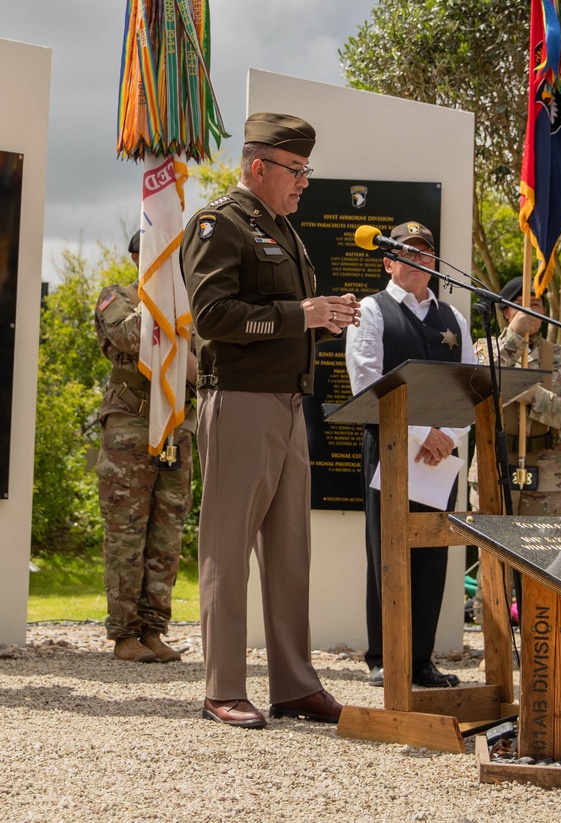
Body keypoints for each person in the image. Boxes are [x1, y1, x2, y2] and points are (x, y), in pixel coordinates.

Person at [182, 112, 361, 729]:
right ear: (259, 166)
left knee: (290, 551)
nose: (304, 181)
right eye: (296, 170)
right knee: (227, 548)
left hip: (287, 404)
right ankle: (222, 687)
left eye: (307, 170)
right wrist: (301, 314)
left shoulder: (283, 231)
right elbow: (213, 316)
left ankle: (293, 684)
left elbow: (288, 311)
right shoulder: (218, 224)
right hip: (239, 400)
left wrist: (325, 316)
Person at [345, 220, 477, 689]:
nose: (417, 260)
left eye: (424, 253)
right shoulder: (370, 311)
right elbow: (366, 383)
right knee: (389, 548)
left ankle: (421, 659)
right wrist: (425, 434)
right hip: (391, 446)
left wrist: (449, 437)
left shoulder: (455, 319)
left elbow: (472, 386)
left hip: (442, 456)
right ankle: (384, 656)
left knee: (433, 552)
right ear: (388, 261)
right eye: (407, 253)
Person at [94, 230, 197, 663]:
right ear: (139, 257)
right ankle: (124, 635)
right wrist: (163, 302)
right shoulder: (115, 296)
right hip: (130, 430)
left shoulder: (188, 305)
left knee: (166, 534)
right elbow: (136, 339)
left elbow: (204, 359)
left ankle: (154, 630)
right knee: (126, 533)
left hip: (174, 426)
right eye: (159, 257)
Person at [467, 277, 561, 517]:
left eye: (535, 304)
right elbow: (477, 389)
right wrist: (514, 335)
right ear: (505, 312)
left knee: (543, 553)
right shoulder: (484, 349)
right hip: (493, 467)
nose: (529, 310)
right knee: (493, 551)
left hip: (547, 475)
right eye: (520, 304)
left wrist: (537, 398)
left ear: (544, 310)